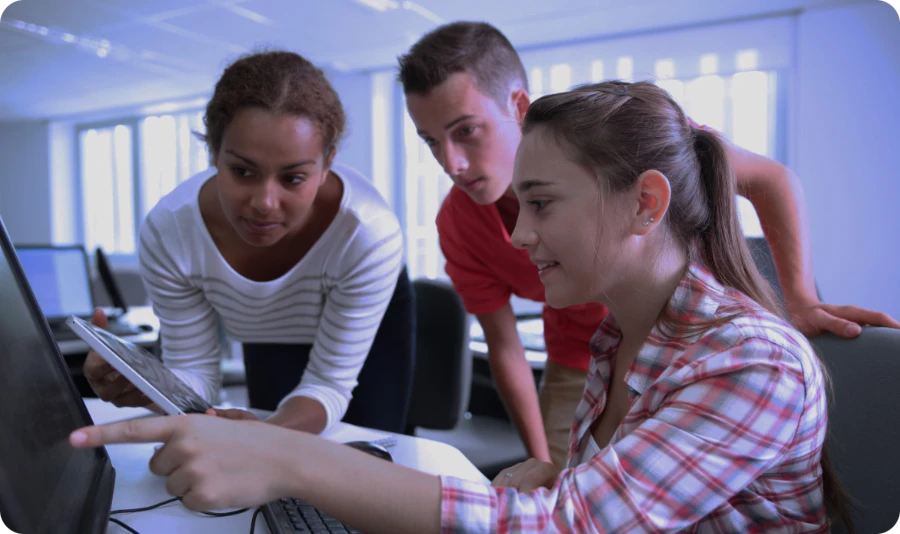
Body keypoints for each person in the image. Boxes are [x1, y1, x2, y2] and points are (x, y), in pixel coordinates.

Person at [71, 80, 852, 532]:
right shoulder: (625, 333)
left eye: (542, 204)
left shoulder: (752, 361)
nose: (519, 234)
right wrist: (554, 473)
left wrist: (290, 459)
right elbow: (599, 502)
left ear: (646, 204)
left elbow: (567, 529)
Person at [397, 21, 900, 466]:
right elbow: (504, 348)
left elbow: (770, 179)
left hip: (688, 351)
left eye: (467, 131)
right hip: (587, 363)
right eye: (431, 141)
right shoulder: (460, 223)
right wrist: (543, 463)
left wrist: (799, 299)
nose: (452, 162)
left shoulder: (619, 145)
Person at [82, 50, 407, 434]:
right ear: (213, 153)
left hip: (365, 329)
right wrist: (149, 388)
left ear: (327, 165)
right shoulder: (170, 233)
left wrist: (260, 439)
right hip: (265, 323)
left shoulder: (368, 234)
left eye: (293, 178)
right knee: (274, 452)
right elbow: (197, 376)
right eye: (242, 171)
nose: (264, 204)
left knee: (368, 455)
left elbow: (329, 385)